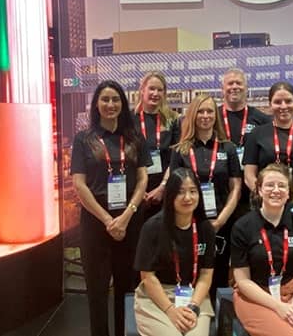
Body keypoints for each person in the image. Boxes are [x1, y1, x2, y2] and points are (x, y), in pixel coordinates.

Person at [71, 80, 150, 336]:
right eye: (105, 99)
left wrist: (127, 216)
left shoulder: (135, 138)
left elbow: (142, 180)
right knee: (96, 290)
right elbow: (79, 185)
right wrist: (107, 220)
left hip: (129, 222)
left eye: (115, 100)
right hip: (95, 222)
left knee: (127, 289)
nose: (110, 105)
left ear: (123, 104)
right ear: (96, 104)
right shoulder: (84, 139)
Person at [230, 164, 293, 336]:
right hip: (256, 295)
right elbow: (243, 281)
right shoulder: (242, 227)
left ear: (289, 192)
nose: (276, 190)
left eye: (282, 186)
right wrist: (278, 307)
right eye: (269, 185)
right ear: (259, 190)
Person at [168, 94, 241, 297]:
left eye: (210, 111)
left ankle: (217, 324)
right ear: (192, 115)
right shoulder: (180, 151)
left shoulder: (228, 148)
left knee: (218, 273)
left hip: (221, 223)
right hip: (189, 223)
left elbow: (235, 187)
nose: (206, 115)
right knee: (191, 272)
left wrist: (220, 220)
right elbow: (173, 191)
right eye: (201, 111)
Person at [133, 168, 217, 336]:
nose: (188, 198)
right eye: (180, 192)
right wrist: (171, 310)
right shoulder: (152, 227)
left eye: (193, 191)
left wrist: (193, 306)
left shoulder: (205, 228)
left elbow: (206, 275)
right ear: (170, 195)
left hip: (194, 296)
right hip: (157, 297)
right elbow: (148, 277)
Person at [243, 82, 293, 219]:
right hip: (264, 204)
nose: (283, 106)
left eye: (288, 101)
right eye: (277, 102)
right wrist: (267, 200)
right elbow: (249, 176)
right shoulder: (257, 134)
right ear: (270, 105)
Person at [217, 68, 270, 217]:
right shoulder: (212, 118)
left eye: (238, 83)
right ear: (222, 89)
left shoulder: (262, 120)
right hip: (221, 191)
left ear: (246, 88)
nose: (234, 86)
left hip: (252, 193)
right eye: (230, 83)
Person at [134, 71, 181, 219]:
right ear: (142, 90)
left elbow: (176, 157)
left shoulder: (173, 120)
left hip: (164, 190)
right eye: (151, 89)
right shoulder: (129, 120)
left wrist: (162, 188)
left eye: (160, 90)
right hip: (136, 191)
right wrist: (138, 192)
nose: (155, 93)